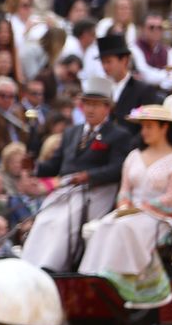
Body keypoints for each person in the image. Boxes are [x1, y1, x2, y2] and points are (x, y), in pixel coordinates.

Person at [22, 76, 137, 272]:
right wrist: (35, 168)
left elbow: (117, 168)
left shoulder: (118, 135)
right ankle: (29, 264)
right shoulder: (72, 132)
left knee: (66, 220)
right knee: (45, 217)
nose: (90, 109)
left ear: (107, 108)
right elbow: (55, 164)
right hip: (66, 188)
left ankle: (51, 266)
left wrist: (88, 175)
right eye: (87, 104)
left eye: (96, 105)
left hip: (96, 190)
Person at [79, 106, 172, 307]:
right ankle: (93, 278)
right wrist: (124, 204)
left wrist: (145, 207)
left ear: (164, 128)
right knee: (103, 225)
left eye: (149, 127)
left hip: (163, 217)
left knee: (125, 227)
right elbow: (125, 189)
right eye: (142, 127)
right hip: (131, 213)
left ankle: (123, 283)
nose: (144, 131)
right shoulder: (134, 156)